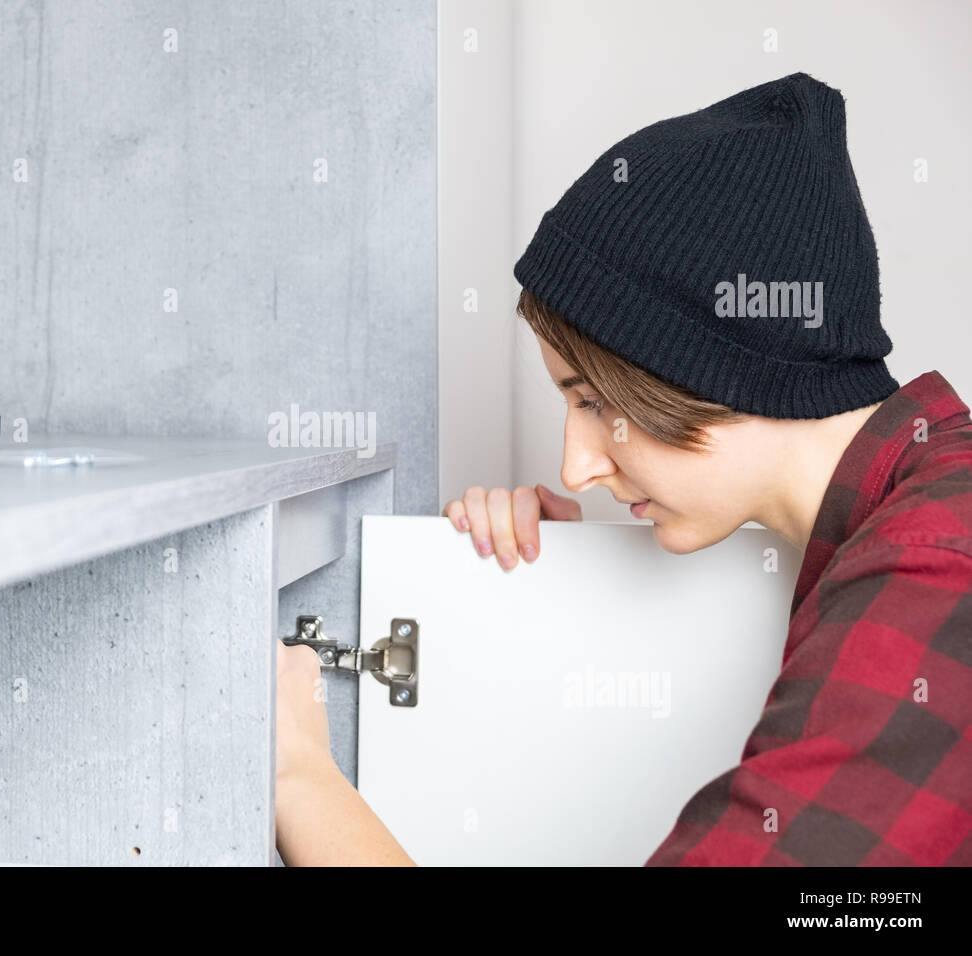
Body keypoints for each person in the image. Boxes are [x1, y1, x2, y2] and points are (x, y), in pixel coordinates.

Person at [275, 72, 972, 866]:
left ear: (717, 371)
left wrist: (296, 773)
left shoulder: (935, 573)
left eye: (592, 400)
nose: (575, 467)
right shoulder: (913, 521)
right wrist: (571, 602)